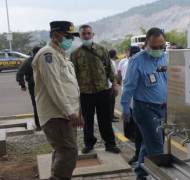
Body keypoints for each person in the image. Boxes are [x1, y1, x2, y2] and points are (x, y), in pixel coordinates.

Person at [32, 21, 83, 179]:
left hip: (65, 114)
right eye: (68, 36)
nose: (70, 40)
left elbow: (70, 87)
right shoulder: (48, 55)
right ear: (55, 35)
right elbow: (55, 87)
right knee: (69, 152)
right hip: (57, 115)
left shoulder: (61, 55)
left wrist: (76, 113)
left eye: (72, 37)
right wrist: (70, 113)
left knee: (62, 151)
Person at [121, 27, 167, 180]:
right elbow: (128, 87)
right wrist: (125, 108)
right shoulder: (137, 61)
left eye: (162, 46)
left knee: (148, 145)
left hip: (162, 109)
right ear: (146, 44)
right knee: (157, 148)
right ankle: (157, 176)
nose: (159, 50)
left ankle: (140, 175)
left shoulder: (165, 58)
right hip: (145, 110)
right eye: (155, 47)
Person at [70, 24, 120, 154]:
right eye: (83, 34)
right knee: (87, 120)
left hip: (103, 91)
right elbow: (72, 75)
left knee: (105, 119)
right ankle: (89, 143)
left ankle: (110, 143)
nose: (86, 35)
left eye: (88, 33)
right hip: (85, 93)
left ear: (93, 34)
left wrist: (114, 84)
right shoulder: (75, 54)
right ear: (80, 37)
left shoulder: (102, 50)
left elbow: (110, 69)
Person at [121, 46, 142, 165]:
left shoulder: (141, 62)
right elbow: (126, 84)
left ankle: (141, 155)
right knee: (136, 127)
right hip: (133, 100)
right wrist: (126, 104)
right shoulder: (127, 65)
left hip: (142, 102)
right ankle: (138, 155)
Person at [16, 46, 42, 131]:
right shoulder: (28, 62)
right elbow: (19, 74)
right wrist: (22, 85)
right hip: (33, 86)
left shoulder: (44, 60)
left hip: (45, 85)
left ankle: (47, 122)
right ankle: (38, 125)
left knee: (46, 104)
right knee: (36, 104)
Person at [109, 49, 120, 122]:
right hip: (111, 85)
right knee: (111, 102)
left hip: (110, 85)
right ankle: (110, 116)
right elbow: (114, 75)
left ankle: (112, 115)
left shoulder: (110, 62)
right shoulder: (112, 63)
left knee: (112, 102)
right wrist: (115, 84)